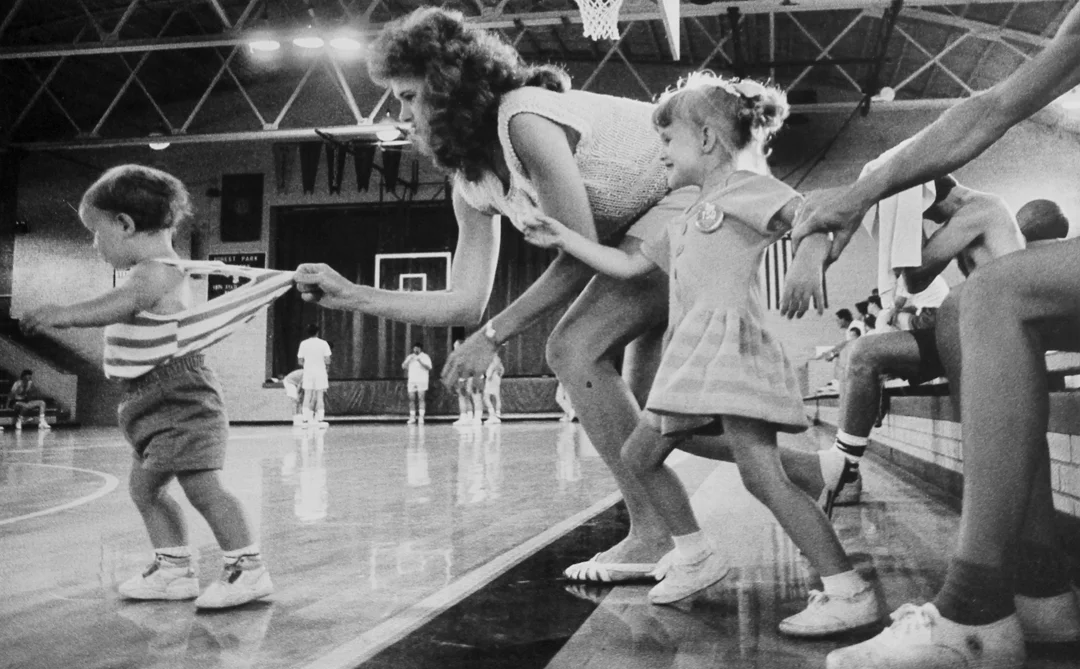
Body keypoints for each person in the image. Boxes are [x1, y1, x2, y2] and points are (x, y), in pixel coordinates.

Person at [292, 6, 700, 581]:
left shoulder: (524, 120)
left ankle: (657, 534)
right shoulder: (471, 183)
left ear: (449, 90)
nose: (401, 113)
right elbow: (464, 303)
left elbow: (577, 252)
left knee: (572, 350)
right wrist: (351, 293)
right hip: (634, 237)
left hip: (690, 204)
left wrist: (493, 337)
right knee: (650, 426)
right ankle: (818, 472)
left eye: (409, 97)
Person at [523, 72, 881, 636]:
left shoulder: (746, 189)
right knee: (639, 456)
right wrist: (563, 237)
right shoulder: (686, 212)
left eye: (668, 141)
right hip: (690, 359)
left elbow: (812, 216)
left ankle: (846, 588)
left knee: (763, 479)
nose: (659, 152)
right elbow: (629, 268)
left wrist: (808, 262)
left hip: (731, 353)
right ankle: (694, 554)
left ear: (708, 140)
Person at [784, 5, 1080, 666]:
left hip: (1005, 299)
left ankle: (972, 609)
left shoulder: (977, 210)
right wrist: (864, 196)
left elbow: (917, 272)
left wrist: (873, 201)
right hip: (996, 315)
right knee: (964, 313)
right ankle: (1040, 585)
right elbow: (993, 104)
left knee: (989, 295)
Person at [20, 164, 273, 609]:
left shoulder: (156, 272)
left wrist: (64, 313)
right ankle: (174, 569)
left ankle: (247, 569)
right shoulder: (154, 269)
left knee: (203, 488)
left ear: (125, 224)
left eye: (95, 233)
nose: (94, 245)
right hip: (148, 400)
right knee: (145, 489)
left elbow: (123, 304)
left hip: (179, 396)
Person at [816, 183, 1059, 518]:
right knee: (859, 355)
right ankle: (847, 464)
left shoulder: (983, 208)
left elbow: (915, 276)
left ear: (927, 194)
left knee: (864, 353)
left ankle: (844, 467)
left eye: (914, 204)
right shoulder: (961, 222)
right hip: (974, 330)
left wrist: (904, 217)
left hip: (997, 334)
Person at [297, 325, 331, 428]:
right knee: (320, 395)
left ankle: (305, 419)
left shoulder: (303, 344)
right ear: (317, 332)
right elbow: (327, 360)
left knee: (307, 395)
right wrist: (325, 366)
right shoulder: (323, 343)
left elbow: (300, 361)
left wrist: (308, 365)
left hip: (308, 372)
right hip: (320, 372)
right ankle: (320, 419)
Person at [451, 339, 483, 426]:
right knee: (464, 397)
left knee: (476, 397)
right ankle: (466, 417)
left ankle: (477, 418)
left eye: (456, 346)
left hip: (473, 378)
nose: (454, 348)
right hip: (464, 378)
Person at [401, 342, 432, 424]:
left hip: (422, 380)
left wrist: (420, 361)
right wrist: (408, 361)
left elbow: (429, 367)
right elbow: (403, 366)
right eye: (414, 348)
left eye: (417, 348)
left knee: (421, 398)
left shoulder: (425, 357)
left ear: (420, 349)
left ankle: (421, 417)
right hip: (412, 380)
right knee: (411, 398)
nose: (415, 350)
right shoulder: (410, 356)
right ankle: (412, 417)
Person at [482, 352, 504, 424]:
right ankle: (498, 412)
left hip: (491, 378)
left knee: (486, 397)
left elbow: (492, 368)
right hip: (497, 378)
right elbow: (502, 370)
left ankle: (492, 415)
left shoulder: (492, 359)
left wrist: (489, 376)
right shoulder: (498, 360)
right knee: (497, 396)